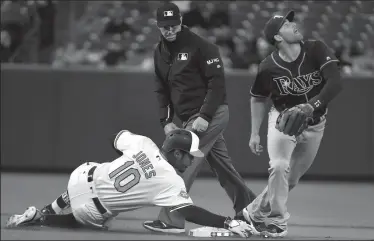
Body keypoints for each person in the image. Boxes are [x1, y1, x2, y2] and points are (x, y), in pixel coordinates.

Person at [5, 129, 253, 238]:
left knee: (93, 176)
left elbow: (116, 138)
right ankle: (42, 217)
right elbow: (188, 211)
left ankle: (52, 206)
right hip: (90, 211)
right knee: (99, 223)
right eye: (190, 155)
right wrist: (228, 222)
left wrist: (132, 162)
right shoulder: (170, 179)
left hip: (80, 174)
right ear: (177, 154)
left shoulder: (144, 143)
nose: (192, 161)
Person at [144, 2, 257, 233]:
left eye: (173, 25)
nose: (169, 30)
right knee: (223, 167)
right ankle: (254, 212)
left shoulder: (202, 46)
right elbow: (161, 89)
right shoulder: (160, 52)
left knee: (183, 163)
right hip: (187, 118)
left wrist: (205, 115)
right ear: (158, 26)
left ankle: (171, 220)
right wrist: (166, 121)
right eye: (165, 26)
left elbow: (217, 84)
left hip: (210, 114)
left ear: (181, 22)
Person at [243, 11, 343, 238]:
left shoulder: (316, 49)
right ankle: (277, 221)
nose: (294, 25)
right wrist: (254, 133)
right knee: (279, 166)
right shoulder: (268, 67)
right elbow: (258, 98)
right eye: (286, 24)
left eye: (291, 22)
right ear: (277, 37)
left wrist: (312, 105)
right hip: (282, 121)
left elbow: (335, 82)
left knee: (290, 179)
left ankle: (254, 212)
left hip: (315, 123)